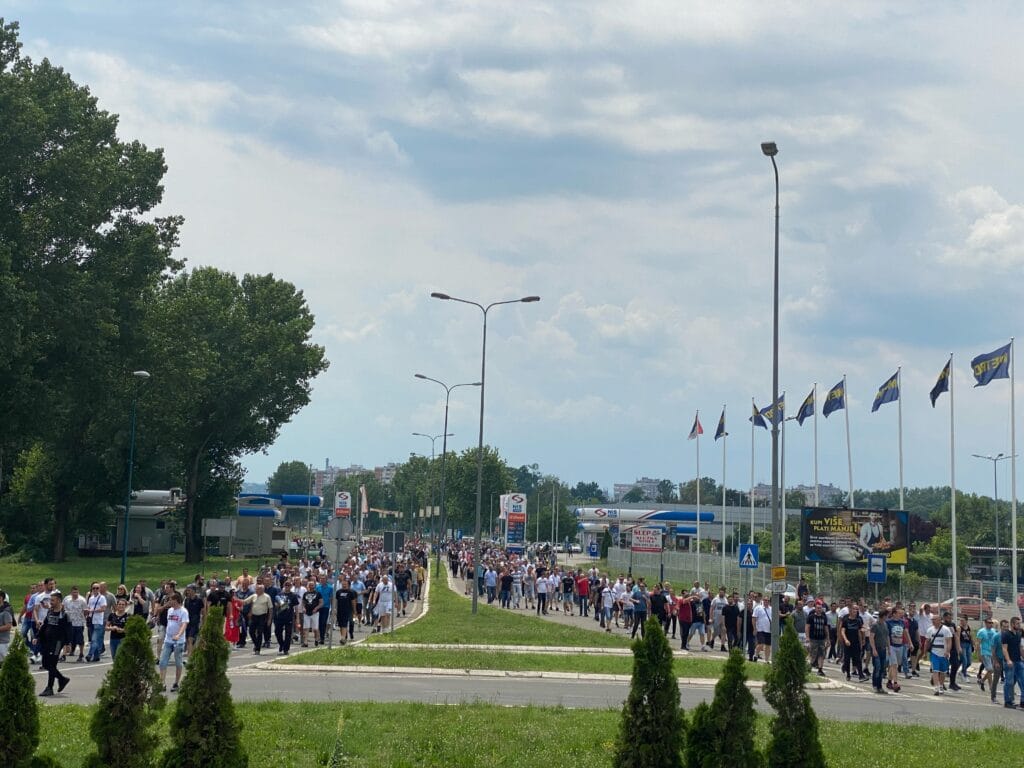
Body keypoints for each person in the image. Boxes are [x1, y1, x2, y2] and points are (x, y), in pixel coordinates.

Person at [37, 590, 72, 696]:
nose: (51, 602)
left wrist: (68, 644)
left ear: (59, 601)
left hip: (57, 642)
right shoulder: (50, 612)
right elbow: (45, 625)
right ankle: (62, 679)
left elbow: (68, 630)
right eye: (50, 600)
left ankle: (49, 687)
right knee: (45, 664)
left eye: (53, 600)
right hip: (47, 641)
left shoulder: (64, 614)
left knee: (52, 664)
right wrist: (38, 636)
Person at [158, 593, 189, 692]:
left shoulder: (183, 611)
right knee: (162, 662)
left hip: (178, 641)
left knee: (178, 662)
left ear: (176, 600)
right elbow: (170, 623)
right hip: (168, 640)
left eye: (171, 600)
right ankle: (162, 683)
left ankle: (176, 683)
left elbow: (184, 624)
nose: (169, 602)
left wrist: (178, 635)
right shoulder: (170, 611)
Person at [242, 582, 273, 654]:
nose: (256, 590)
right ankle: (257, 644)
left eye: (258, 589)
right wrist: (236, 600)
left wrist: (269, 619)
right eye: (256, 589)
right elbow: (245, 602)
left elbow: (270, 609)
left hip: (262, 616)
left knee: (259, 632)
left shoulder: (267, 597)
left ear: (262, 590)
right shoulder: (254, 596)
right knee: (251, 631)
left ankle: (257, 649)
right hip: (254, 616)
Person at [926, 613, 952, 696]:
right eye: (932, 620)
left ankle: (941, 685)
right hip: (934, 653)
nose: (933, 621)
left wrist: (947, 651)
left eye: (934, 619)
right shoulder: (930, 630)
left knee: (943, 671)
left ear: (939, 620)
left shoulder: (946, 629)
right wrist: (925, 652)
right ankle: (936, 687)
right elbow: (927, 641)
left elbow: (949, 641)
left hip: (943, 654)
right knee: (935, 670)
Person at [1001, 615, 1024, 708]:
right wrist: (1008, 660)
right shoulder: (1006, 634)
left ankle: (1022, 702)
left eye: (1019, 623)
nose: (1019, 625)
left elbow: (1020, 648)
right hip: (1010, 662)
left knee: (1022, 680)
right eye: (1017, 623)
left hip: (1018, 661)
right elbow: (1004, 649)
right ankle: (1008, 701)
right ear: (1012, 624)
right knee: (1009, 682)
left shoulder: (1018, 634)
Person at [839, 603, 866, 682]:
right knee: (847, 659)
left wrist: (863, 640)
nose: (855, 611)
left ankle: (861, 675)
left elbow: (861, 630)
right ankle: (848, 674)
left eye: (857, 609)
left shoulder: (858, 620)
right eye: (854, 609)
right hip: (848, 643)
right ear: (850, 610)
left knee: (858, 659)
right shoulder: (846, 619)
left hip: (856, 642)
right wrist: (845, 640)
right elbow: (842, 631)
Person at [62, 585, 87, 663]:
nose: (75, 594)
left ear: (78, 592)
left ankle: (81, 654)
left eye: (76, 592)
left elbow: (85, 611)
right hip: (69, 623)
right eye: (73, 592)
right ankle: (63, 655)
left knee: (80, 640)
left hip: (79, 623)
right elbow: (63, 609)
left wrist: (84, 618)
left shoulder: (82, 600)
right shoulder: (67, 600)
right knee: (66, 639)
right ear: (71, 593)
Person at [274, 580, 299, 655]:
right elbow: (276, 604)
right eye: (286, 585)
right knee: (277, 632)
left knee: (288, 634)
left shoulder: (293, 595)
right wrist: (278, 605)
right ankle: (281, 644)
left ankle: (286, 649)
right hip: (280, 616)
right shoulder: (279, 594)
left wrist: (297, 618)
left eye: (289, 585)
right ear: (284, 586)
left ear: (291, 586)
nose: (287, 586)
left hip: (289, 617)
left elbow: (296, 607)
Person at [869, 607, 891, 694]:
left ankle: (880, 686)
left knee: (882, 668)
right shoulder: (875, 625)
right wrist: (874, 649)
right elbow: (871, 638)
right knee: (877, 667)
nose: (887, 617)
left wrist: (889, 648)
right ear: (883, 616)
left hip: (883, 649)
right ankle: (875, 685)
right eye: (886, 616)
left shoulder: (885, 625)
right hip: (877, 649)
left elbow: (887, 637)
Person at [976, 617, 999, 696]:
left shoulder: (994, 631)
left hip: (992, 653)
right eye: (989, 623)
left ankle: (982, 681)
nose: (991, 624)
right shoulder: (981, 631)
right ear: (985, 623)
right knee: (990, 669)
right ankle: (991, 687)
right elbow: (978, 643)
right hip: (985, 652)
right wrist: (979, 654)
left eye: (991, 623)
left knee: (991, 670)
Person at [84, 582, 107, 662]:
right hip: (91, 620)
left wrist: (92, 610)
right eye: (93, 588)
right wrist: (87, 612)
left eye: (97, 588)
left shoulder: (102, 598)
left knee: (94, 639)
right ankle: (96, 656)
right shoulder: (91, 598)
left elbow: (103, 609)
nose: (95, 589)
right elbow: (89, 608)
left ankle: (90, 654)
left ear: (99, 589)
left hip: (98, 621)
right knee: (94, 639)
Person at [806, 601, 829, 676]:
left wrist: (828, 639)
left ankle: (820, 669)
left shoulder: (824, 617)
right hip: (813, 639)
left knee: (821, 654)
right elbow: (807, 627)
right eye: (818, 608)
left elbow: (826, 628)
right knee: (813, 654)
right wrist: (807, 637)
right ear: (815, 608)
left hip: (821, 639)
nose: (819, 609)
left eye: (820, 608)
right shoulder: (811, 617)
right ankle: (808, 667)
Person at [335, 579, 357, 645]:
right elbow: (336, 601)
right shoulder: (338, 592)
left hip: (348, 610)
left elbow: (353, 602)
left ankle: (343, 638)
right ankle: (343, 637)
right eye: (343, 584)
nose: (344, 585)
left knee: (345, 624)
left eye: (345, 584)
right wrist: (335, 609)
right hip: (339, 610)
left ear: (348, 585)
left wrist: (354, 611)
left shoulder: (351, 592)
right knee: (340, 625)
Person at [753, 596, 772, 663]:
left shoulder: (771, 609)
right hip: (760, 629)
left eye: (768, 600)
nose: (766, 601)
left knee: (768, 646)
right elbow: (754, 618)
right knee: (761, 644)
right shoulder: (758, 608)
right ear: (763, 600)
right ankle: (755, 655)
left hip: (769, 630)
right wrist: (754, 628)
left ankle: (766, 660)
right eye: (765, 600)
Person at [0, 590, 14, 662]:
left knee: (5, 662)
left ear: (1, 598)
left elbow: (8, 626)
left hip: (3, 642)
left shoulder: (6, 611)